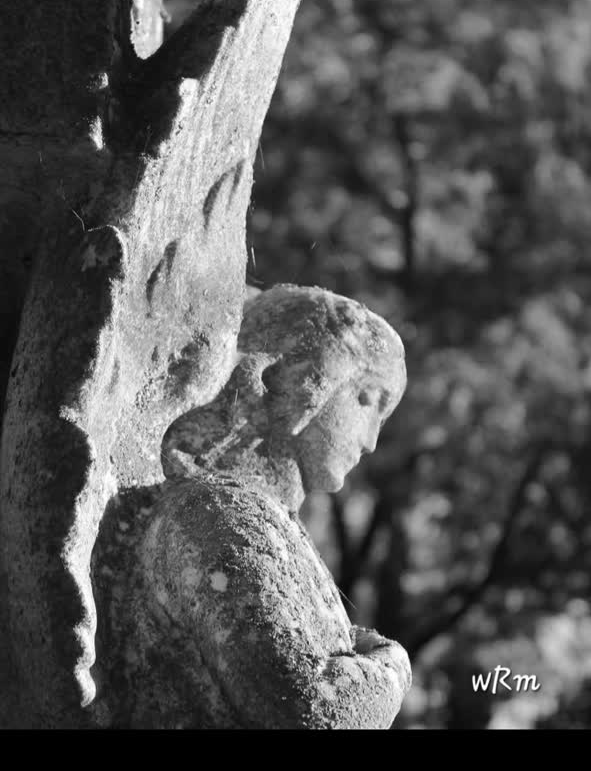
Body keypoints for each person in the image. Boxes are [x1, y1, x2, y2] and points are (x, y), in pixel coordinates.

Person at [122, 285, 412, 729]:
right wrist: (393, 668)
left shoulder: (267, 523)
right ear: (301, 379)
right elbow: (307, 707)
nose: (372, 442)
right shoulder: (218, 512)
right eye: (368, 400)